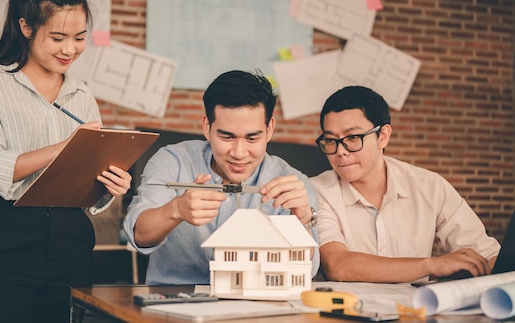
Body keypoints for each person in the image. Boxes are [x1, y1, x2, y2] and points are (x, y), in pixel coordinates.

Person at [0, 0, 132, 323]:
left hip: (71, 241)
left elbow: (88, 182)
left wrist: (112, 184)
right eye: (57, 37)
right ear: (25, 27)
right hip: (3, 238)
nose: (70, 49)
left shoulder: (81, 95)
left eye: (80, 38)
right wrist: (66, 147)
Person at [123, 70, 319, 285]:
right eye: (226, 137)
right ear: (207, 127)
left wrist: (303, 220)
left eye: (252, 138)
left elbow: (306, 268)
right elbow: (139, 235)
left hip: (254, 303)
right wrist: (177, 209)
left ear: (269, 129)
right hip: (172, 300)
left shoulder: (291, 182)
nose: (239, 152)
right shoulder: (172, 161)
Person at [312, 85, 500, 283]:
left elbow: (485, 254)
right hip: (345, 311)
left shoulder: (430, 187)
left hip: (418, 310)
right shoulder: (316, 191)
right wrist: (431, 265)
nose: (340, 151)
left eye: (352, 137)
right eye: (331, 140)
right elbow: (338, 265)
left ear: (383, 136)